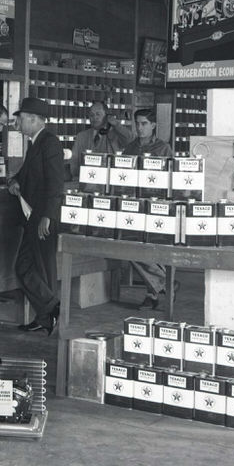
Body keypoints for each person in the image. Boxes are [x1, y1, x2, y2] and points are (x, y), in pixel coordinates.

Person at [8, 95, 66, 335]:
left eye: (20, 118)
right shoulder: (35, 142)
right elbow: (27, 173)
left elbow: (55, 183)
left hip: (43, 217)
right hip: (34, 216)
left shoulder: (49, 142)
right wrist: (14, 181)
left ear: (33, 119)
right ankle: (48, 312)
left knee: (42, 267)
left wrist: (48, 217)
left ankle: (50, 313)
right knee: (25, 266)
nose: (17, 123)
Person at [121, 107, 173, 310]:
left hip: (155, 205)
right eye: (137, 124)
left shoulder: (163, 148)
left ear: (153, 126)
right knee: (132, 247)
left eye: (144, 124)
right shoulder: (130, 147)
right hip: (133, 204)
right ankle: (165, 281)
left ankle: (153, 293)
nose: (140, 128)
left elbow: (171, 178)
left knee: (151, 249)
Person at [69, 98, 133, 180]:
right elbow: (74, 161)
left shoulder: (116, 135)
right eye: (91, 115)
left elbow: (131, 140)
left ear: (107, 116)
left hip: (109, 180)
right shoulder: (81, 136)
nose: (94, 117)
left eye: (98, 114)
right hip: (86, 179)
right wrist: (77, 176)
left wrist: (116, 125)